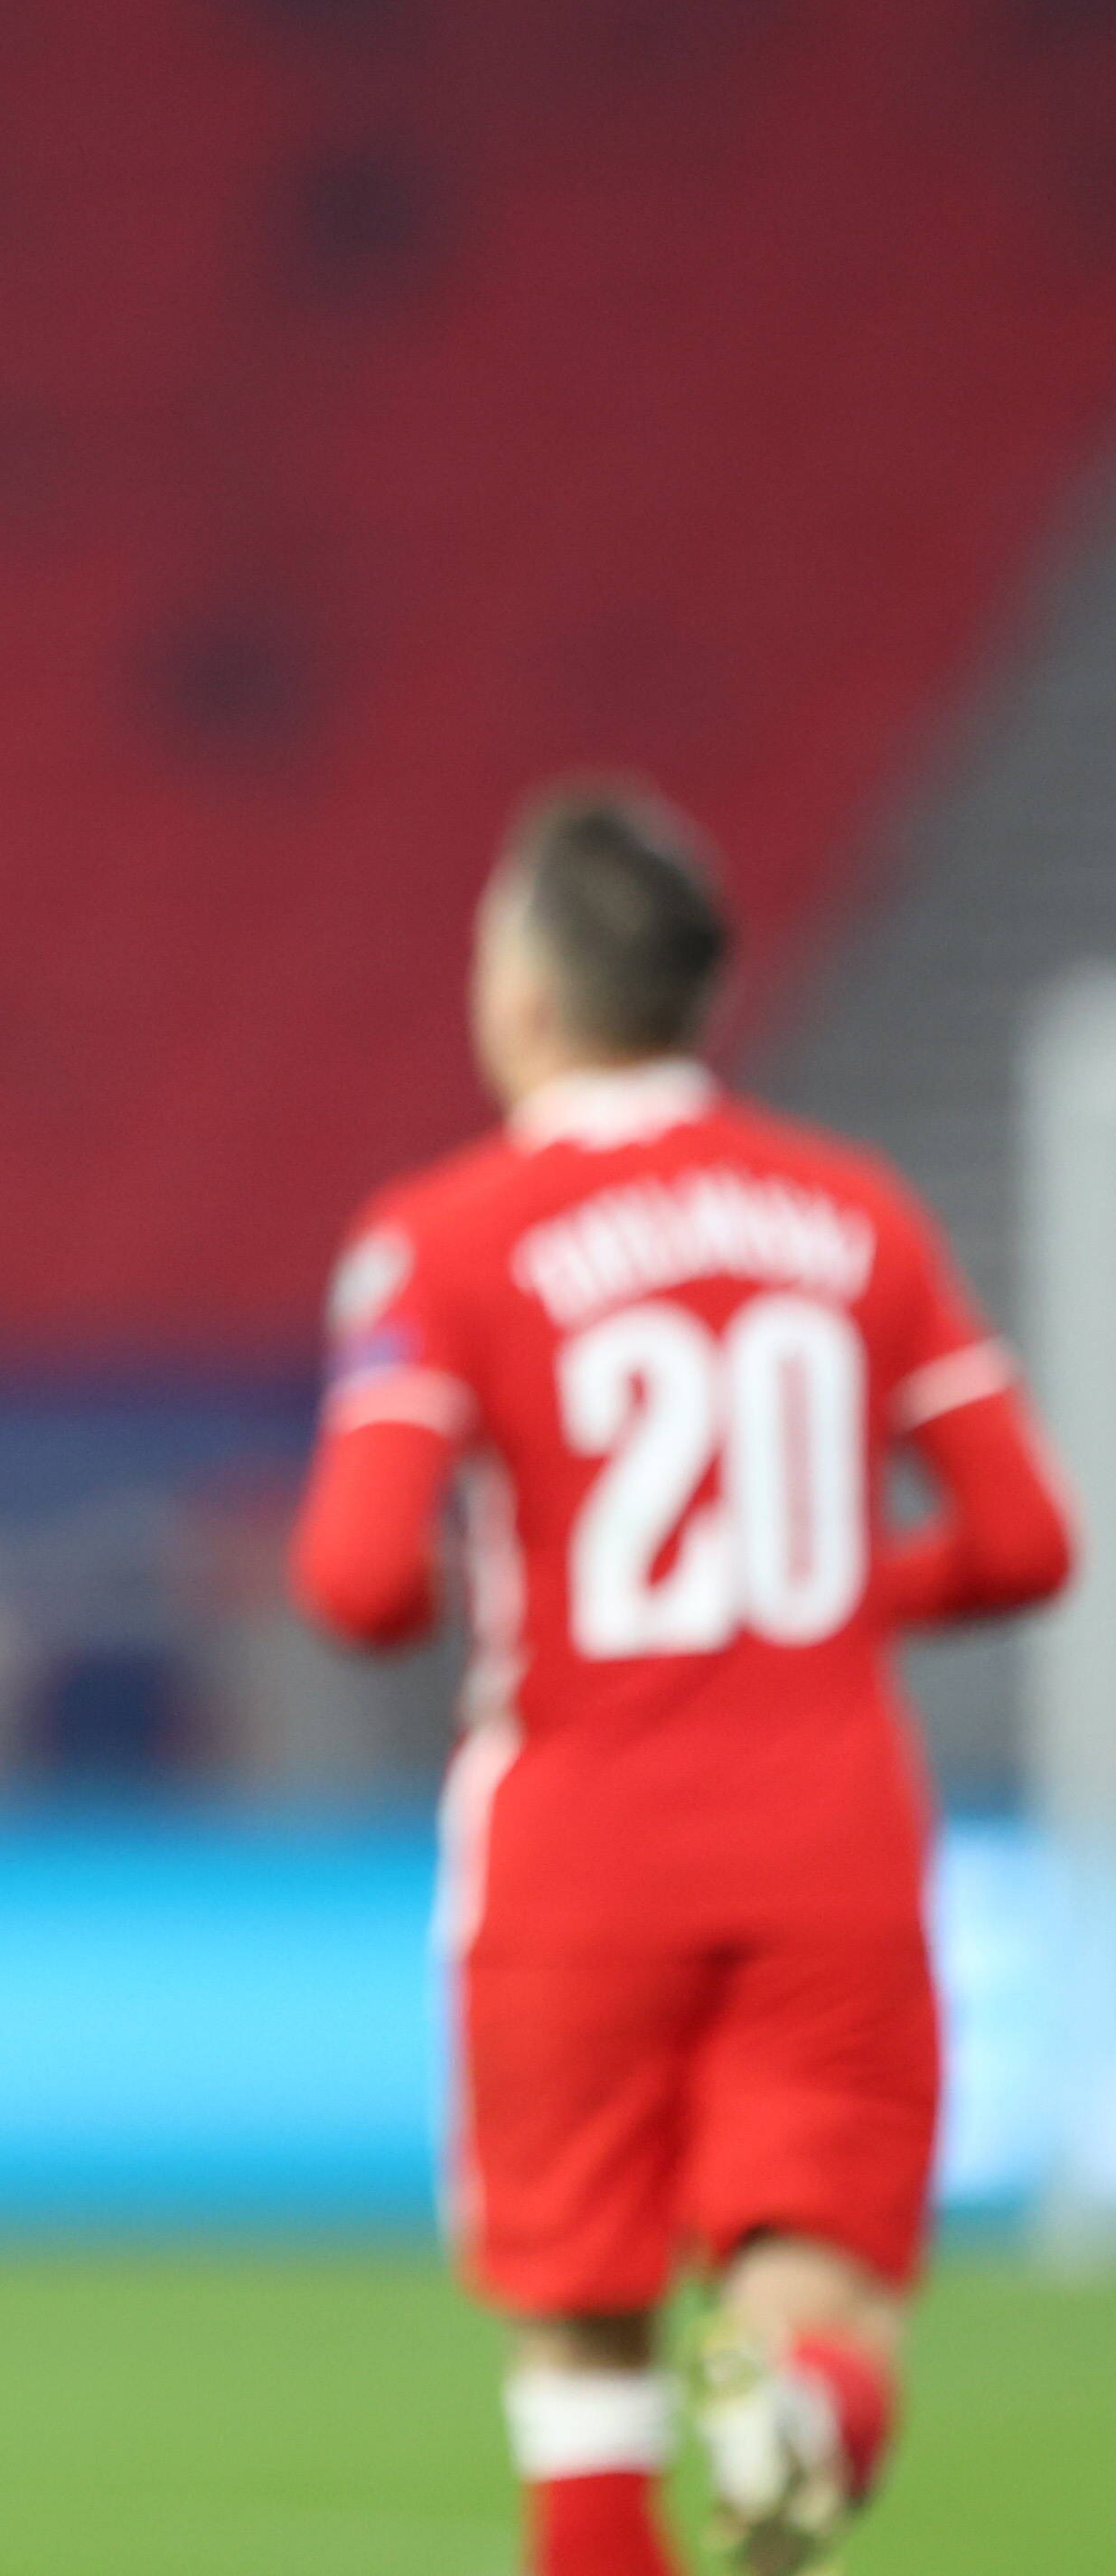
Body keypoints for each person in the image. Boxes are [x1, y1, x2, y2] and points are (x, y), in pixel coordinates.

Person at [290, 785, 1077, 2576]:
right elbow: (1030, 1541)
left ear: (533, 989)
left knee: (581, 2355)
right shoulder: (857, 1215)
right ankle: (802, 2388)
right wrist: (801, 1594)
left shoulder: (444, 1235)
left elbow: (349, 1580)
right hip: (831, 1840)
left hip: (579, 1849)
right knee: (812, 2272)